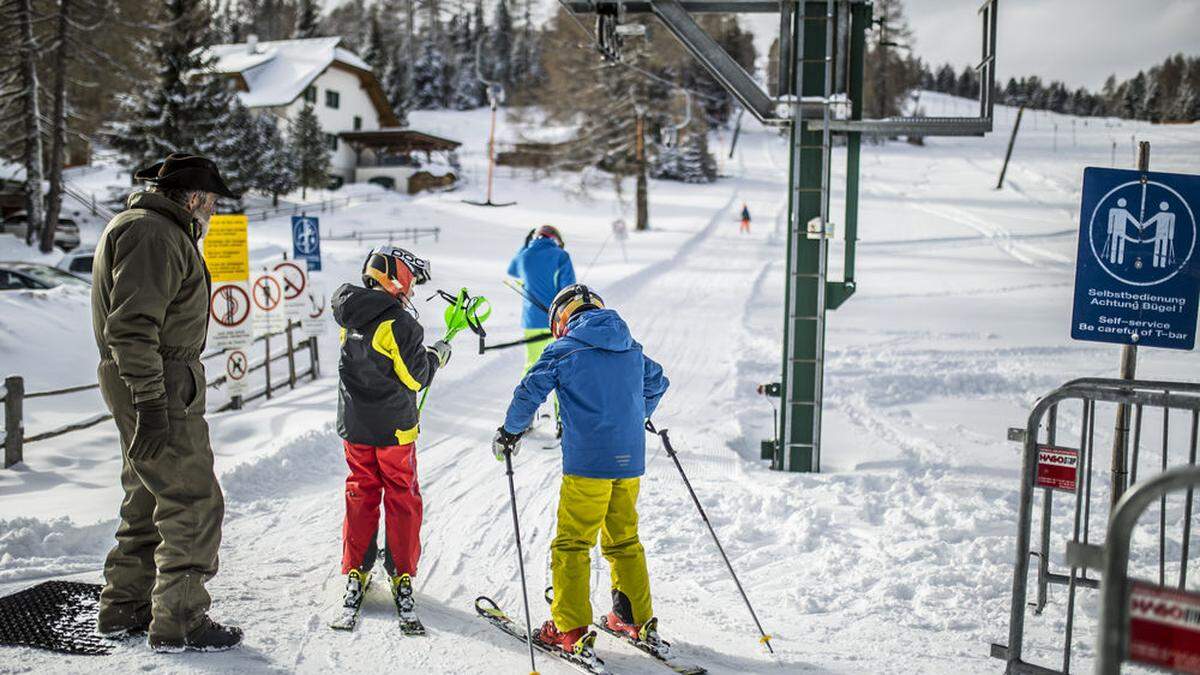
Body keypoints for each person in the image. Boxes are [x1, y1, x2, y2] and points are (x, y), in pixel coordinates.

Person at [91, 153, 242, 652]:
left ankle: (124, 606)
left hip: (151, 380)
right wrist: (153, 403)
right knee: (193, 502)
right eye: (212, 201)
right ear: (193, 197)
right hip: (158, 381)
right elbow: (131, 328)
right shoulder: (154, 233)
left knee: (149, 495)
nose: (214, 211)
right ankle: (180, 620)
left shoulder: (150, 227)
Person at [492, 284, 670, 661]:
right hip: (630, 463)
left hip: (589, 465)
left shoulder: (563, 349)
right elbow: (657, 381)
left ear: (561, 319)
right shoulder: (631, 346)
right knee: (624, 540)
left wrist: (510, 431)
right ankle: (633, 618)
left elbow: (529, 392)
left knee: (573, 543)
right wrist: (636, 416)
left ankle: (569, 629)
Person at [331, 246, 451, 625]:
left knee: (361, 490)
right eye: (411, 282)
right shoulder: (399, 324)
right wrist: (435, 357)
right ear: (396, 278)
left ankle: (357, 566)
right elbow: (416, 376)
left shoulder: (349, 314)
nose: (413, 291)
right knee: (401, 494)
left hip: (356, 426)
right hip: (394, 431)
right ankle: (400, 569)